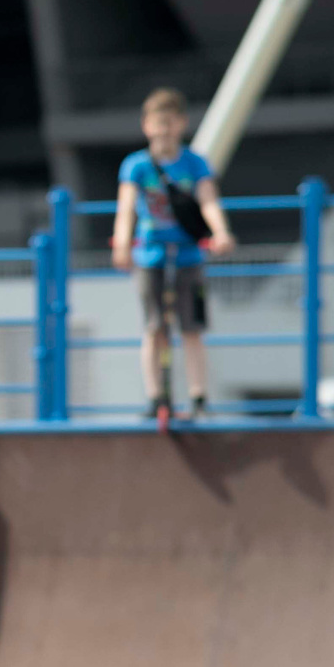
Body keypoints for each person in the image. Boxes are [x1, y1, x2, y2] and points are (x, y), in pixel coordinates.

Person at [111, 88, 236, 420]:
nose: (164, 131)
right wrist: (122, 245)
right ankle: (156, 398)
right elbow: (126, 210)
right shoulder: (136, 165)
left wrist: (220, 232)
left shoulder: (195, 162)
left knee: (191, 328)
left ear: (181, 124)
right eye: (158, 124)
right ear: (147, 126)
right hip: (151, 257)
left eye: (170, 123)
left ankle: (198, 398)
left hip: (187, 257)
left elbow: (208, 199)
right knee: (154, 328)